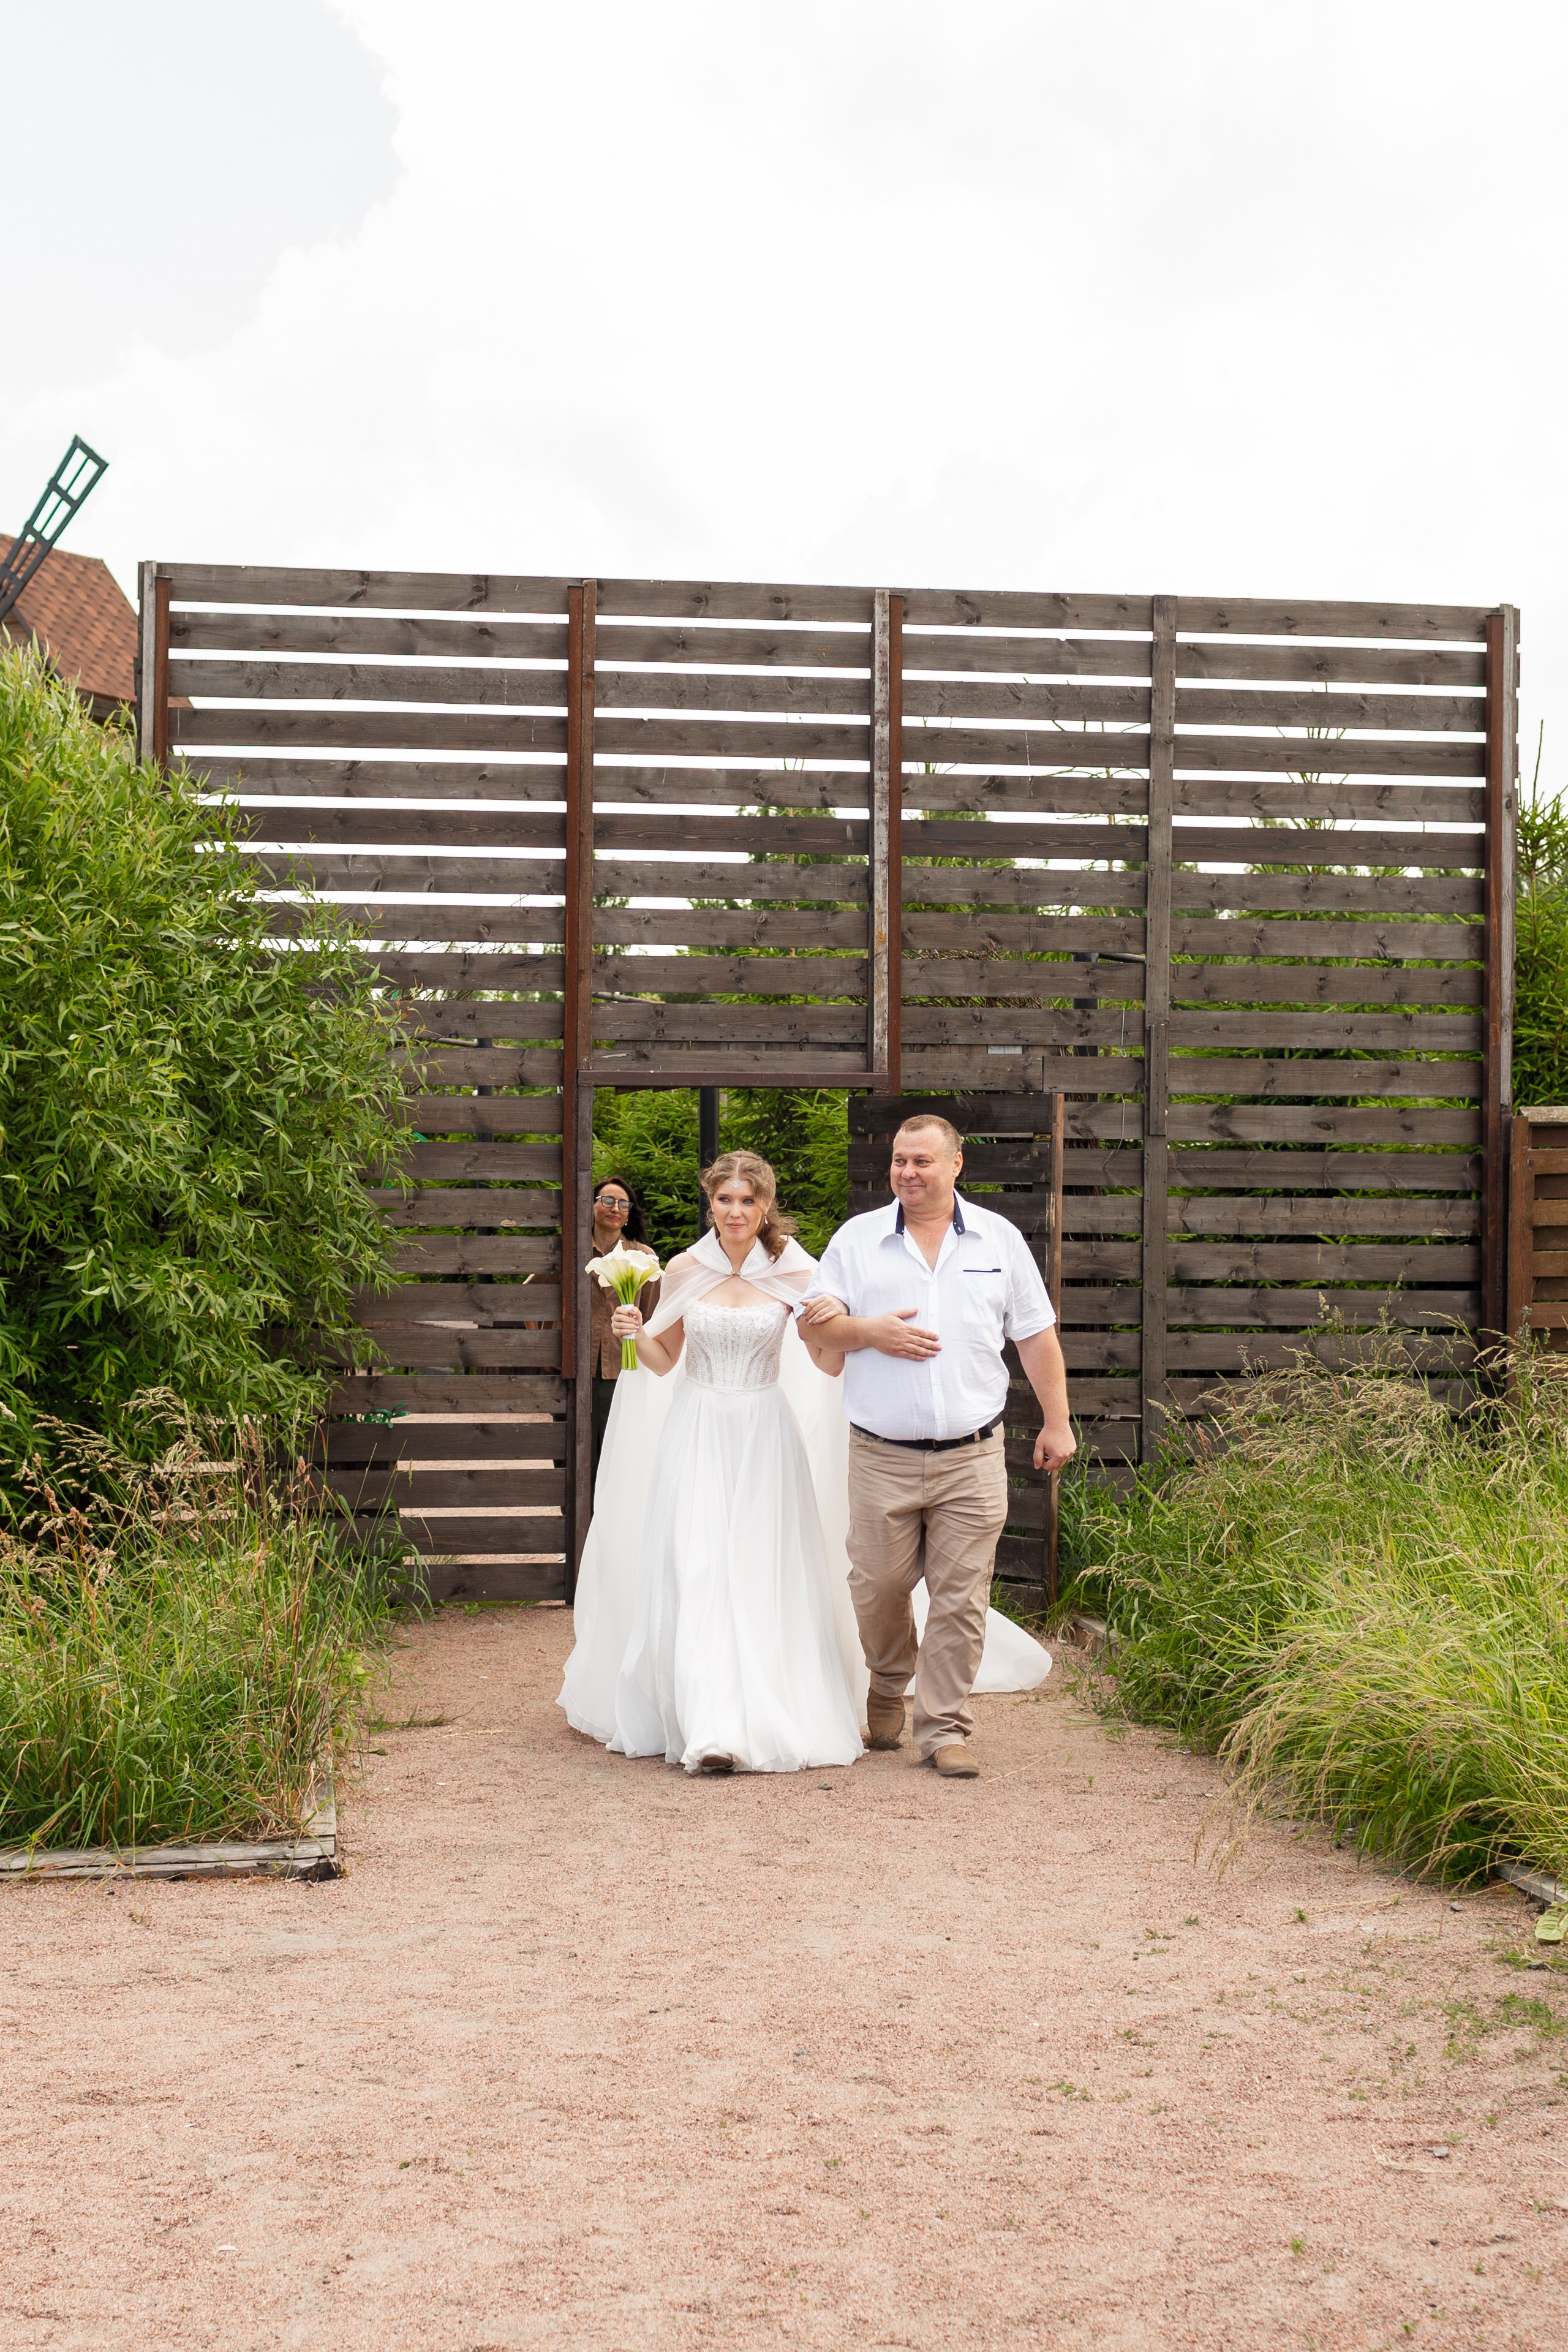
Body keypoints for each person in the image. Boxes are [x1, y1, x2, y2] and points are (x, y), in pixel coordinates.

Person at [557, 1149, 1050, 1776]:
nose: (734, 1211)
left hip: (765, 1433)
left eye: (746, 1200)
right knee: (697, 1565)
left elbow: (826, 1364)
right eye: (723, 1199)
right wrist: (634, 1331)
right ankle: (707, 1723)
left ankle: (769, 1706)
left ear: (764, 1206)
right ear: (709, 1203)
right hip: (698, 1429)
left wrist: (841, 1326)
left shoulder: (794, 1272)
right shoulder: (683, 1268)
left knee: (761, 1570)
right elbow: (663, 1361)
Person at [797, 1114, 1076, 1781]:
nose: (907, 1173)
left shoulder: (999, 1240)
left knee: (961, 1596)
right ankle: (889, 1681)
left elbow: (1035, 1338)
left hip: (972, 1456)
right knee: (880, 1587)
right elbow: (818, 1326)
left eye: (921, 1161)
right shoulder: (858, 1241)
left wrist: (1056, 1421)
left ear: (956, 1166)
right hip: (879, 1454)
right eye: (899, 1160)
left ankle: (945, 1728)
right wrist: (869, 1332)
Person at [586, 1175, 661, 1484]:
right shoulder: (572, 1251)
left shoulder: (643, 1257)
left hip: (625, 1369)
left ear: (630, 1213)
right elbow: (533, 1293)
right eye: (607, 1200)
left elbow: (657, 1315)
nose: (615, 1208)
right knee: (578, 1453)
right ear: (590, 1206)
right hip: (580, 1369)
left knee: (619, 1454)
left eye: (623, 1203)